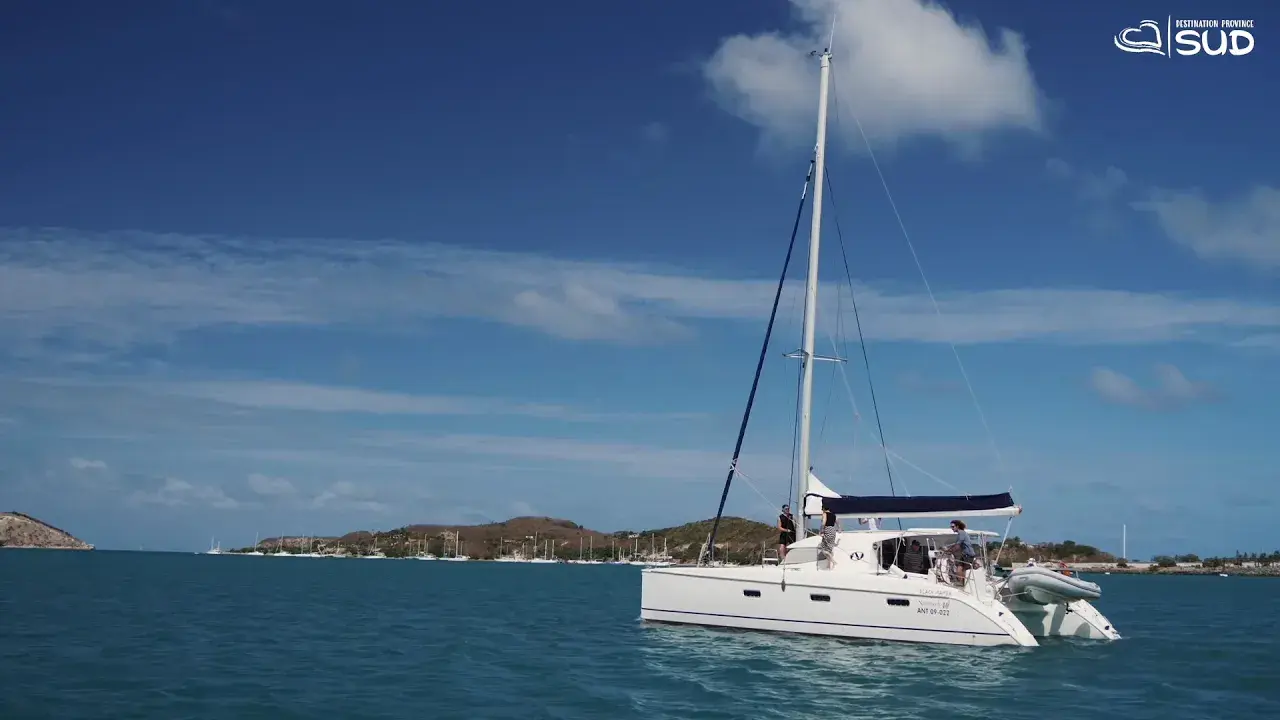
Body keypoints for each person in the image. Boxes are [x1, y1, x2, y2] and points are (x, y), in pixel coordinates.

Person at [945, 519, 976, 585]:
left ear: (957, 526)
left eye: (953, 527)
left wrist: (950, 551)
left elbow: (958, 546)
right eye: (951, 527)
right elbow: (956, 544)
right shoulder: (960, 534)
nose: (952, 528)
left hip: (968, 555)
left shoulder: (961, 533)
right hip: (964, 555)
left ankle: (964, 584)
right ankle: (961, 583)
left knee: (963, 570)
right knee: (959, 569)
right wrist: (948, 550)